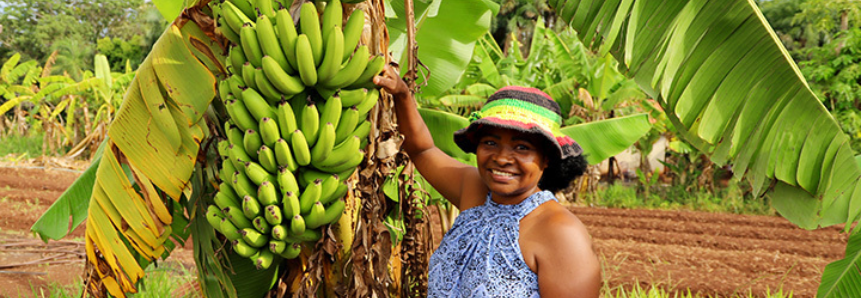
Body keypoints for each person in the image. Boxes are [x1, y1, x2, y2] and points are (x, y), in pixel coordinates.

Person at [374, 65, 601, 298]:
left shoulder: (560, 231)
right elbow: (422, 150)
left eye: (522, 147)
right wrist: (402, 95)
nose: (502, 158)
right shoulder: (474, 189)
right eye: (490, 143)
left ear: (546, 159)